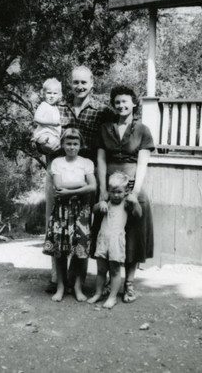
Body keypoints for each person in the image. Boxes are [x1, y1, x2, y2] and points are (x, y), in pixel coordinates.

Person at [45, 65, 112, 293]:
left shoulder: (102, 111)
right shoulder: (57, 108)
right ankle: (58, 279)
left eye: (84, 82)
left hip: (86, 175)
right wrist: (42, 143)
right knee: (57, 226)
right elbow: (42, 133)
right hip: (59, 173)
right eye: (76, 82)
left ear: (92, 83)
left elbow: (115, 132)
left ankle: (78, 280)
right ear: (70, 84)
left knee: (83, 229)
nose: (80, 86)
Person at [97, 85, 155, 303]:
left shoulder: (142, 130)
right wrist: (102, 189)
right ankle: (104, 283)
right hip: (110, 188)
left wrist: (135, 192)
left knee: (133, 236)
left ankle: (129, 284)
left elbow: (142, 163)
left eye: (125, 101)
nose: (121, 105)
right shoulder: (105, 128)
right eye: (117, 102)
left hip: (131, 187)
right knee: (104, 233)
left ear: (133, 103)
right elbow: (101, 160)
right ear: (114, 105)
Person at [43, 128, 96, 302]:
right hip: (61, 211)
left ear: (80, 145)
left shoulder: (86, 163)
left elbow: (92, 186)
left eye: (75, 144)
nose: (72, 147)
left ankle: (77, 287)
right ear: (63, 144)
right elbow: (58, 186)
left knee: (80, 249)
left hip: (81, 211)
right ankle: (60, 286)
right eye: (68, 144)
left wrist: (70, 189)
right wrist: (80, 185)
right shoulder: (57, 163)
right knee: (60, 250)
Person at [88, 171, 142, 309]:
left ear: (125, 192)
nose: (116, 195)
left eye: (119, 192)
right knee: (101, 270)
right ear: (109, 191)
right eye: (113, 192)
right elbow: (93, 210)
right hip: (103, 239)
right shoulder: (107, 202)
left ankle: (112, 297)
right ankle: (98, 293)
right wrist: (100, 204)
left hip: (116, 241)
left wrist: (135, 202)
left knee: (115, 270)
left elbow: (138, 214)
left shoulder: (126, 204)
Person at [32, 78, 62, 154]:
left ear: (59, 95)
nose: (52, 96)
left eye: (55, 93)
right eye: (49, 93)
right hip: (44, 134)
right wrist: (52, 123)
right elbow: (36, 119)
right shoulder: (44, 105)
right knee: (49, 142)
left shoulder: (56, 108)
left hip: (54, 136)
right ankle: (37, 141)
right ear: (44, 94)